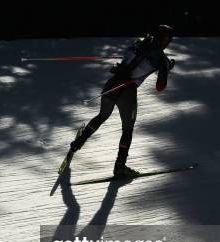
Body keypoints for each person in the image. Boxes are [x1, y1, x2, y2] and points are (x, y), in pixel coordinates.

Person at [60, 24, 176, 176]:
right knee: (127, 130)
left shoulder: (142, 41)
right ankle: (120, 166)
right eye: (168, 39)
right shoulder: (161, 58)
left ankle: (77, 144)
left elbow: (131, 56)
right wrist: (165, 69)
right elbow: (160, 87)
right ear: (163, 39)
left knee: (102, 116)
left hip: (112, 82)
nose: (169, 43)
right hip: (127, 90)